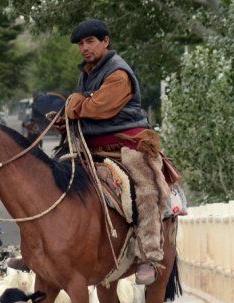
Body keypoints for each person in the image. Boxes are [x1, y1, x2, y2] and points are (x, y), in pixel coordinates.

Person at [58, 19, 171, 285]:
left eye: (90, 42)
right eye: (81, 44)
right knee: (52, 179)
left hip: (128, 146)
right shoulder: (87, 72)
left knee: (148, 191)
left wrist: (74, 103)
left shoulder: (118, 73)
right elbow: (85, 108)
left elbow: (97, 108)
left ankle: (149, 257)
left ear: (105, 41)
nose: (85, 48)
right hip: (91, 146)